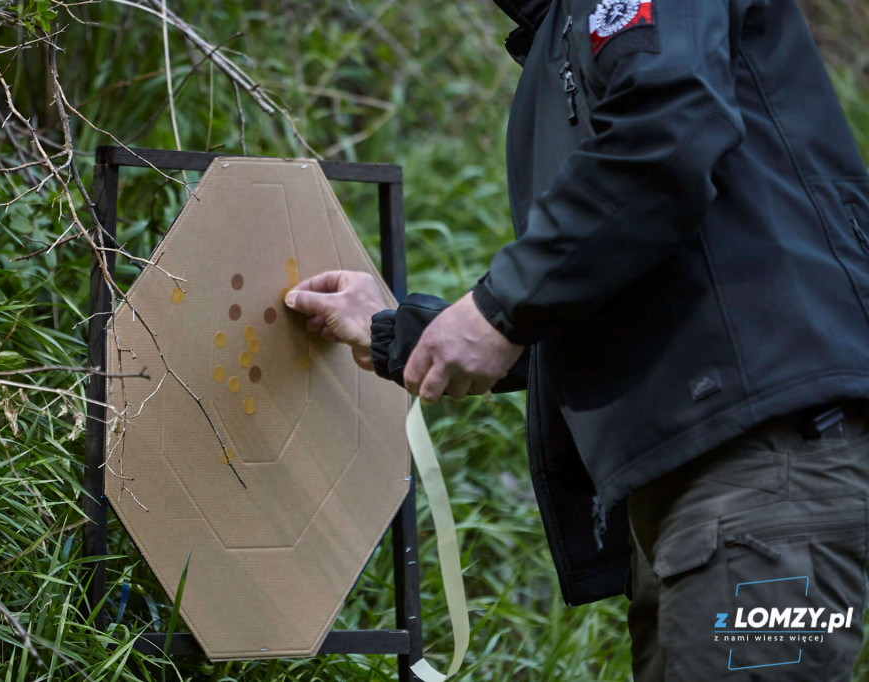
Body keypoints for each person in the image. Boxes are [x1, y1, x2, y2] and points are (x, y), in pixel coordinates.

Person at [286, 0, 869, 679]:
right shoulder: (561, 36)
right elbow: (621, 266)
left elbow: (668, 133)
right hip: (703, 482)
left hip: (764, 471)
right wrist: (405, 333)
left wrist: (499, 309)